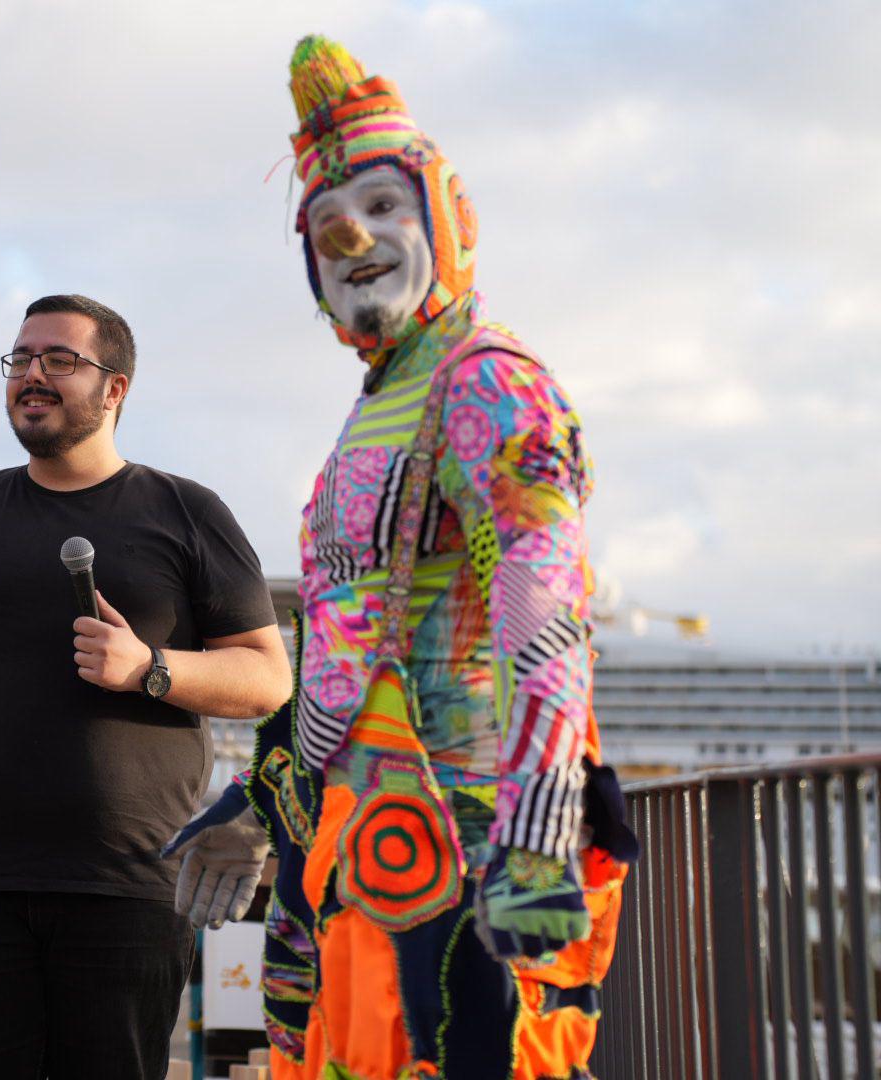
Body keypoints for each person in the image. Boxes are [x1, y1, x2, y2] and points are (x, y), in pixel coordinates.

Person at [167, 38, 638, 1080]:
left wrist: (537, 832)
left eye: (383, 205)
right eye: (327, 221)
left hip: (463, 847)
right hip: (357, 853)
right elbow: (345, 648)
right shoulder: (380, 403)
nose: (352, 234)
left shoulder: (482, 381)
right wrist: (262, 807)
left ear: (448, 218)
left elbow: (544, 610)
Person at [0, 294, 291, 1078]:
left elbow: (267, 677)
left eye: (59, 360)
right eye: (21, 359)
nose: (32, 374)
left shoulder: (187, 512)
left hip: (131, 887)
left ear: (115, 388)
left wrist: (151, 668)